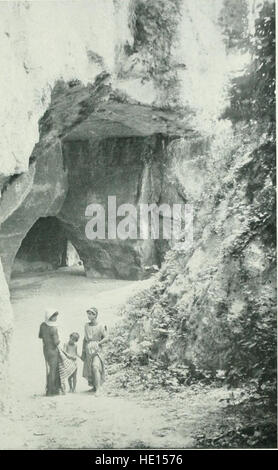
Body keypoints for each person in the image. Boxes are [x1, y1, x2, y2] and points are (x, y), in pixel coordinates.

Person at [81, 307, 108, 395]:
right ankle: (94, 387)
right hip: (88, 349)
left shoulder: (101, 325)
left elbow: (107, 337)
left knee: (95, 366)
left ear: (95, 315)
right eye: (88, 314)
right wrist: (83, 352)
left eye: (91, 314)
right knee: (90, 368)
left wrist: (99, 343)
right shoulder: (86, 325)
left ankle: (98, 389)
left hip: (97, 349)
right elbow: (85, 339)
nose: (89, 315)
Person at [38, 308, 61, 396]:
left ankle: (49, 389)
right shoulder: (54, 328)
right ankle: (51, 391)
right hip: (53, 350)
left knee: (49, 369)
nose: (56, 317)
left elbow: (40, 336)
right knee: (53, 370)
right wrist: (60, 340)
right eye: (54, 316)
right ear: (51, 317)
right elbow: (56, 342)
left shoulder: (42, 325)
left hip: (46, 349)